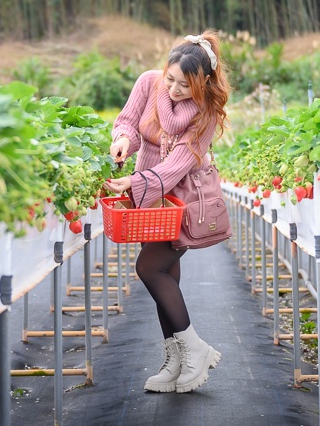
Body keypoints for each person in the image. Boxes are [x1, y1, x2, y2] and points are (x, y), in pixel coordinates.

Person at [101, 30, 231, 394]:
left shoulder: (204, 115)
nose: (173, 89)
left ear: (203, 83)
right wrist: (123, 140)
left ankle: (195, 349)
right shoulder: (149, 83)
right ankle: (175, 362)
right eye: (171, 79)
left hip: (182, 202)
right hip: (152, 202)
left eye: (184, 86)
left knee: (149, 267)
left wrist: (134, 182)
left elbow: (177, 165)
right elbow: (129, 122)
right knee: (166, 277)